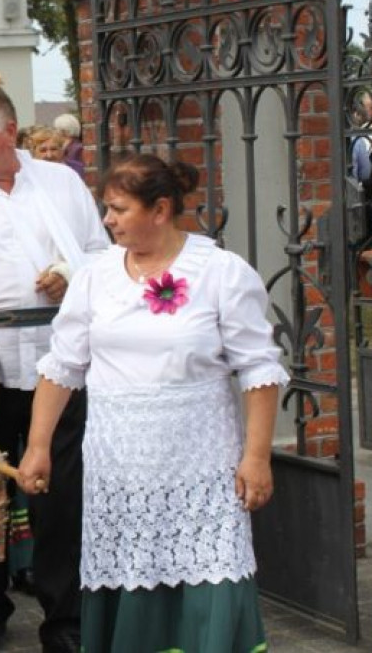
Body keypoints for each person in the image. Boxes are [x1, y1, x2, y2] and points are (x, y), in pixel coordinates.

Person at [18, 153, 287, 653]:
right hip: (119, 469)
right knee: (129, 571)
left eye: (119, 209)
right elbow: (62, 367)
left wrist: (256, 457)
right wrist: (38, 446)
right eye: (106, 207)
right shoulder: (95, 276)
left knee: (208, 573)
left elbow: (259, 370)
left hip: (199, 466)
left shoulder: (221, 273)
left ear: (160, 210)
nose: (107, 220)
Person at [0, 84, 109, 653]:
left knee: (58, 493)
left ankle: (63, 616)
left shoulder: (60, 182)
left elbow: (100, 251)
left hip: (56, 359)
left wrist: (67, 271)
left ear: (10, 130)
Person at [53, 114, 85, 179]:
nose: (54, 133)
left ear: (64, 131)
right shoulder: (63, 147)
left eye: (55, 129)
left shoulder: (78, 149)